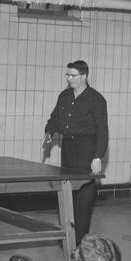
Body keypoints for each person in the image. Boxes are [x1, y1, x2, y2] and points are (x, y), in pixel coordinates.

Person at [44, 60, 108, 246]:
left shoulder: (96, 99)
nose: (69, 78)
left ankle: (79, 241)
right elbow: (54, 119)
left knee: (84, 197)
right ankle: (67, 235)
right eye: (68, 75)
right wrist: (49, 132)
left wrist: (97, 156)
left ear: (84, 77)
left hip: (87, 147)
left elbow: (102, 130)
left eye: (73, 75)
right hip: (68, 147)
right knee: (68, 192)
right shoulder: (64, 96)